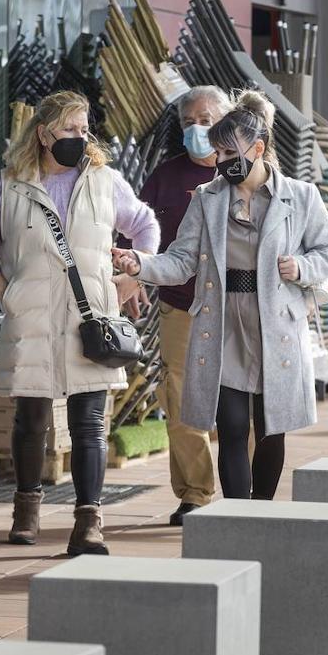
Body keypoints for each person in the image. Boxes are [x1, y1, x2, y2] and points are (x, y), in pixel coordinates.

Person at [113, 90, 328, 501]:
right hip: (223, 323)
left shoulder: (301, 196)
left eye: (227, 151)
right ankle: (237, 515)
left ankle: (263, 510)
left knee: (269, 428)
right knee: (233, 425)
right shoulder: (207, 199)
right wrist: (140, 265)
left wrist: (302, 268)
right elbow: (182, 260)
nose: (219, 161)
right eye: (217, 153)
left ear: (258, 148)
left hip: (275, 323)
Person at [0, 90, 159, 555]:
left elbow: (145, 225)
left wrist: (134, 273)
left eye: (84, 127)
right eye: (70, 128)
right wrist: (2, 289)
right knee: (31, 419)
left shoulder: (105, 182)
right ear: (44, 133)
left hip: (90, 318)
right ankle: (26, 507)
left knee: (90, 424)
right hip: (29, 319)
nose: (81, 136)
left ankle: (89, 522)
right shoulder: (9, 184)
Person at [137, 86, 228, 526]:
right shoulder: (165, 176)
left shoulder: (246, 174)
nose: (198, 129)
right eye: (189, 122)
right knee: (181, 399)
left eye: (206, 120)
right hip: (181, 304)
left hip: (237, 308)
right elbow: (133, 229)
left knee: (240, 399)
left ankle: (242, 489)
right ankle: (195, 492)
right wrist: (129, 273)